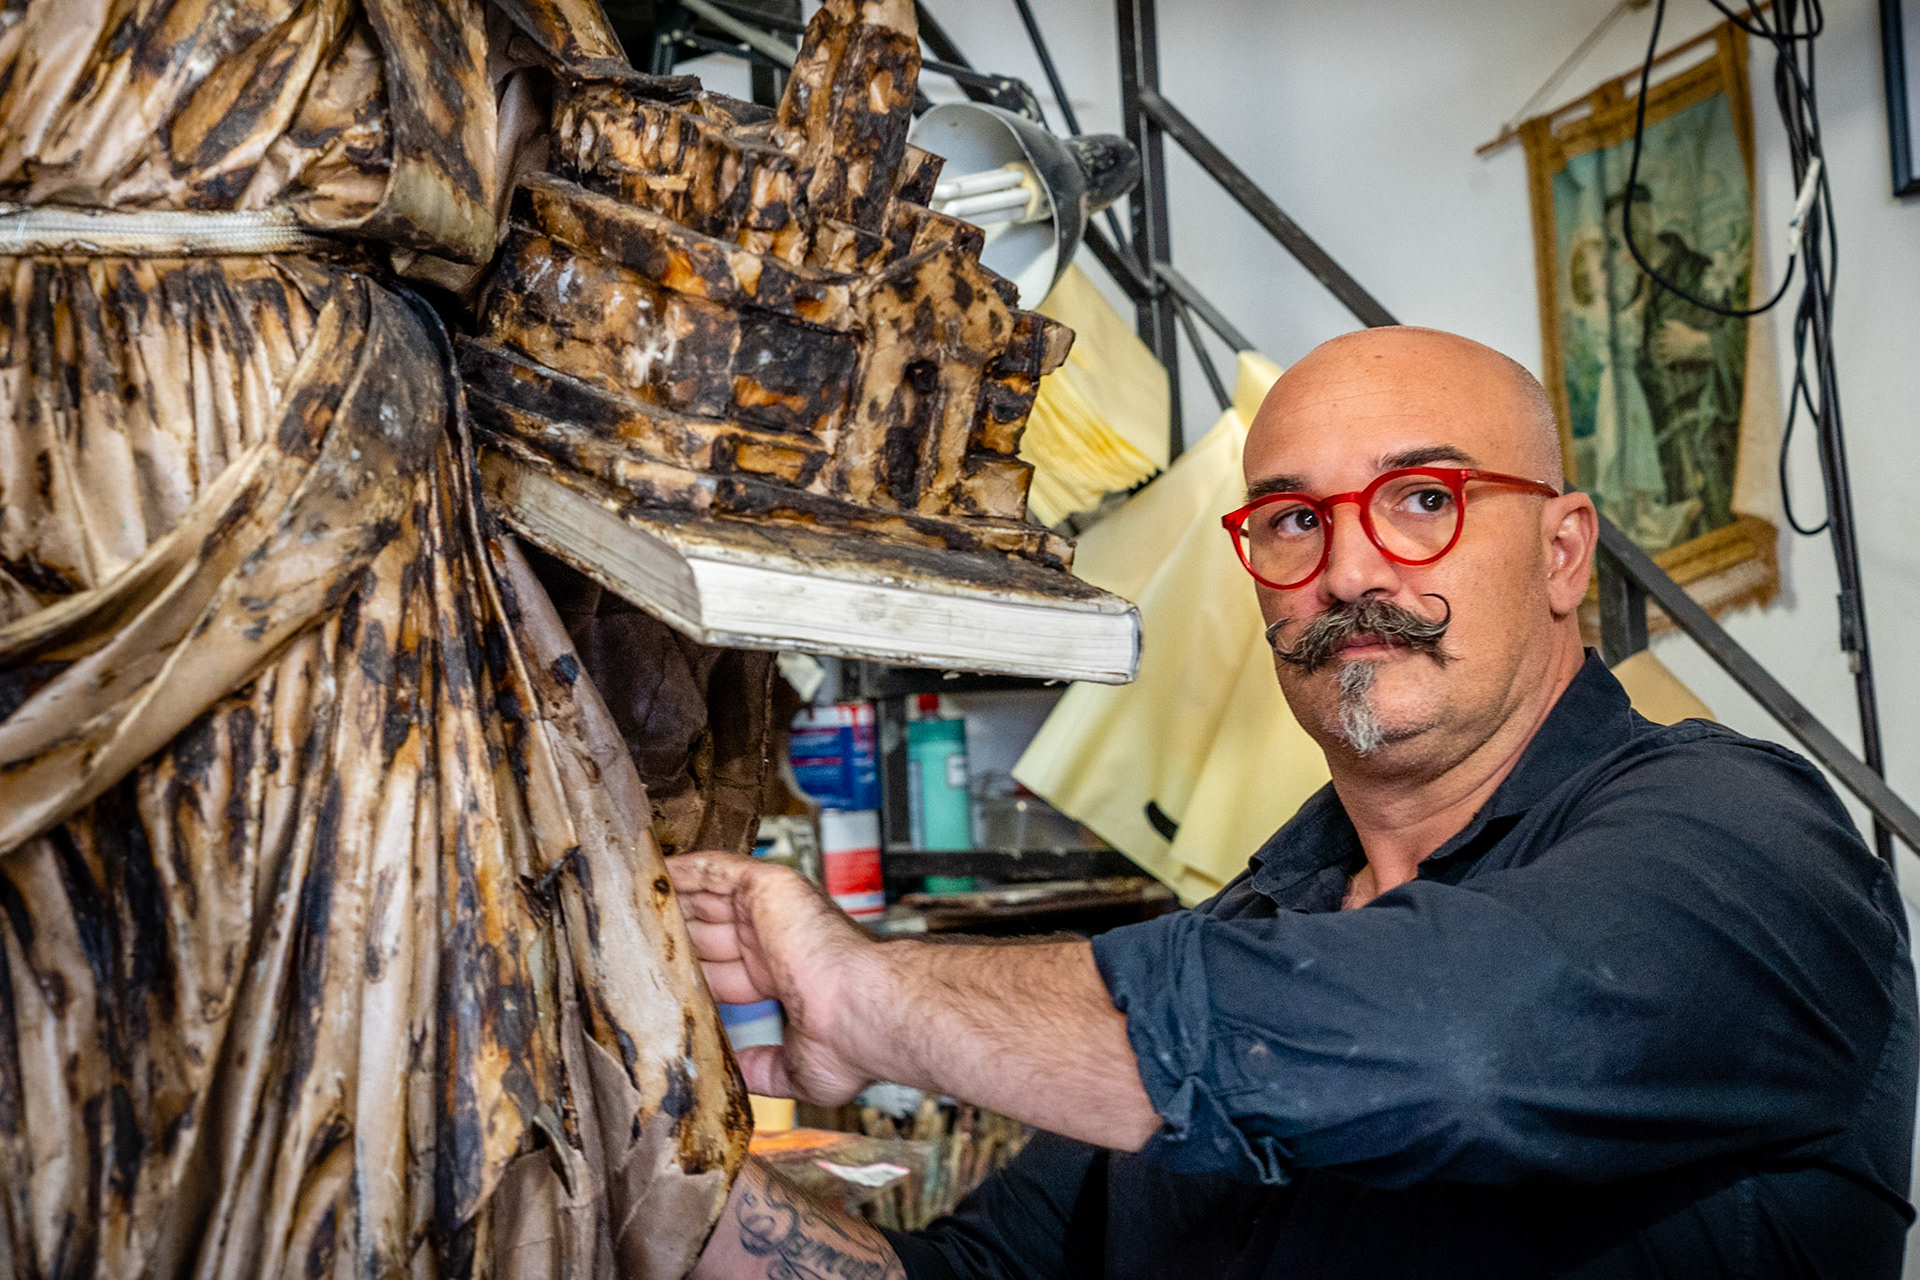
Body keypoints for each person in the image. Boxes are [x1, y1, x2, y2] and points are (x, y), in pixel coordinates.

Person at [670, 326, 1916, 1279]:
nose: (1350, 569)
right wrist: (661, 1171)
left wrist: (869, 996)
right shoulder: (1256, 926)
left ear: (1563, 551)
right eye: (1291, 520)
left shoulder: (1750, 839)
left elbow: (1460, 1048)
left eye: (1424, 498)